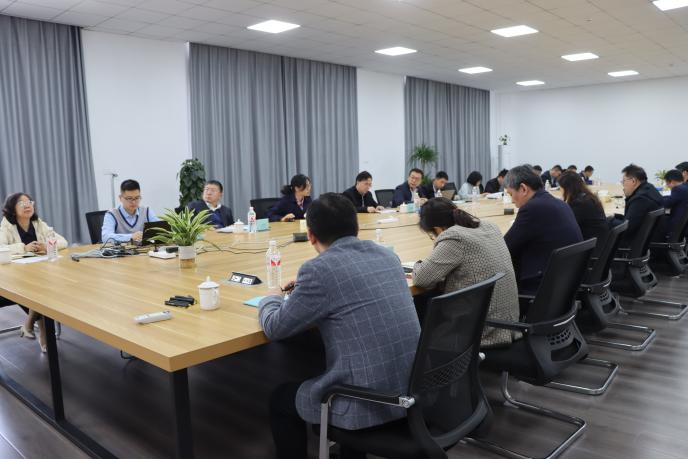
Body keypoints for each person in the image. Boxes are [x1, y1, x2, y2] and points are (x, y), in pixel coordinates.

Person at [259, 193, 420, 459]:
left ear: (310, 235)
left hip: (365, 402)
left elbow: (275, 328)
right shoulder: (388, 256)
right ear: (355, 226)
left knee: (280, 399)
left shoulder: (317, 270)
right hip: (413, 389)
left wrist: (272, 296)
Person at [412, 198, 520, 348]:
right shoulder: (489, 226)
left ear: (437, 229)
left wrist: (417, 265)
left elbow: (422, 279)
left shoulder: (454, 236)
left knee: (420, 302)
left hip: (480, 332)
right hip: (509, 325)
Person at [1, 193, 68, 353]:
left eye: (29, 202)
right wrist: (23, 248)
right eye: (21, 203)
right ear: (12, 209)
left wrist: (47, 246)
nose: (27, 205)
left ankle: (29, 323)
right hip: (14, 277)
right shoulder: (6, 226)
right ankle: (41, 331)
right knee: (40, 291)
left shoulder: (38, 224)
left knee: (43, 287)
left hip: (39, 273)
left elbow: (63, 242)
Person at [503, 165, 583, 294]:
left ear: (523, 189)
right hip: (566, 284)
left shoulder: (532, 208)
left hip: (541, 287)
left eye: (511, 194)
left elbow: (505, 248)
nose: (512, 200)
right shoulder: (560, 204)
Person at [612, 164, 663, 248]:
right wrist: (615, 217)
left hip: (636, 246)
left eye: (623, 181)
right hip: (650, 239)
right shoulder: (649, 189)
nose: (623, 184)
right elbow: (634, 219)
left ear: (633, 181)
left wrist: (609, 221)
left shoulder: (640, 199)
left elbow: (627, 228)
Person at [558, 171, 609, 252]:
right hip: (598, 243)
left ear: (567, 189)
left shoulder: (579, 203)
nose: (560, 191)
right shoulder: (588, 197)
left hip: (590, 248)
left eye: (561, 188)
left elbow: (568, 227)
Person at [101, 179, 159, 244]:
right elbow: (105, 237)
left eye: (137, 198)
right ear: (120, 198)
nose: (134, 202)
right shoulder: (112, 214)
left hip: (144, 249)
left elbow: (161, 230)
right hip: (122, 250)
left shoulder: (147, 211)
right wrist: (131, 237)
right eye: (129, 198)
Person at [657, 169, 688, 241]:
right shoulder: (685, 187)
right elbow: (673, 199)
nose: (667, 186)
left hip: (676, 227)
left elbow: (666, 204)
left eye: (667, 183)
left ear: (672, 182)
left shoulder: (678, 189)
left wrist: (658, 198)